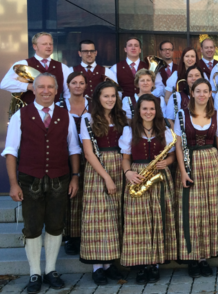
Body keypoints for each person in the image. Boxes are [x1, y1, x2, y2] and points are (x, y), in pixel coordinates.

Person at [2, 73, 81, 293]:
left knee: (56, 226)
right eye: (41, 87)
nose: (46, 91)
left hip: (60, 179)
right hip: (30, 179)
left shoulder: (65, 115)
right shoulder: (20, 115)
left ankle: (51, 270)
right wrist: (13, 183)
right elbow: (11, 152)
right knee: (33, 227)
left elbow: (73, 149)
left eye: (50, 87)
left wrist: (75, 176)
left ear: (57, 91)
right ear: (33, 90)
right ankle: (35, 273)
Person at [120, 94, 177, 284]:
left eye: (152, 108)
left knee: (158, 220)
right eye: (144, 108)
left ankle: (155, 264)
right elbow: (126, 157)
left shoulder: (164, 130)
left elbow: (172, 156)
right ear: (138, 110)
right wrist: (128, 172)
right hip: (138, 175)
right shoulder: (130, 130)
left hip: (159, 178)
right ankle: (141, 265)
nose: (148, 112)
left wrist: (167, 162)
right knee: (139, 223)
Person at [173, 79, 218, 278]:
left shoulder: (217, 116)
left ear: (210, 94)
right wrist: (183, 171)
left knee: (209, 211)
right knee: (192, 212)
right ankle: (192, 258)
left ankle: (204, 258)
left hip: (211, 165)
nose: (202, 94)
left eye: (205, 91)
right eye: (198, 91)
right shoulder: (181, 116)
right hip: (189, 164)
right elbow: (178, 145)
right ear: (192, 93)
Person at [79, 81, 128, 285]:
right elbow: (89, 153)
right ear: (98, 98)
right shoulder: (88, 119)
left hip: (119, 164)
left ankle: (109, 263)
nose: (110, 99)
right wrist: (106, 177)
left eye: (113, 96)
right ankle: (97, 266)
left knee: (115, 215)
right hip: (98, 169)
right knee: (98, 217)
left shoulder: (121, 117)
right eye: (106, 96)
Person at [60, 72, 90, 255]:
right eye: (74, 83)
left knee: (86, 195)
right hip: (68, 155)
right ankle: (70, 236)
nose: (78, 86)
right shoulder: (60, 106)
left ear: (86, 85)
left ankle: (84, 233)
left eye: (81, 83)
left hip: (91, 155)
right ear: (68, 85)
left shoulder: (93, 104)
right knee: (71, 196)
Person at [1, 32, 72, 104]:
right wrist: (28, 86)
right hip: (29, 112)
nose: (48, 46)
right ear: (35, 46)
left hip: (54, 112)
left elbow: (69, 94)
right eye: (44, 44)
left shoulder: (62, 67)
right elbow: (5, 84)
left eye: (50, 44)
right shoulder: (23, 64)